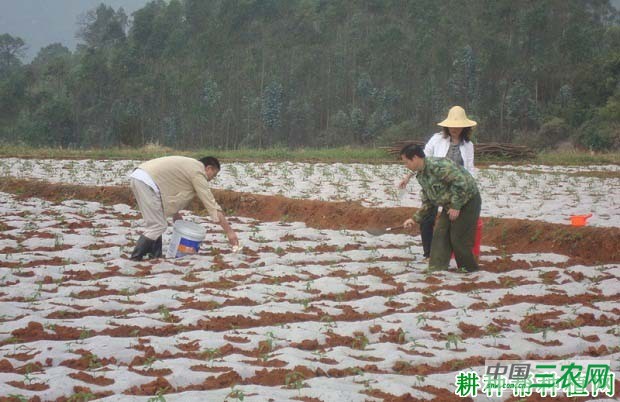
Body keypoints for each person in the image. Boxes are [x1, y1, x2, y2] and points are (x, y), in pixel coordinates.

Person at [399, 106, 476, 259]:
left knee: (453, 219)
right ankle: (428, 254)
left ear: (464, 127)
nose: (455, 129)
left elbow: (469, 169)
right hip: (433, 184)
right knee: (427, 217)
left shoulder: (468, 145)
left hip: (455, 187)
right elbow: (420, 159)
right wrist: (408, 176)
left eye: (458, 126)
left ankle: (452, 253)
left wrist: (465, 196)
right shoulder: (437, 139)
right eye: (452, 126)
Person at [128, 155, 239, 261]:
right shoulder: (198, 172)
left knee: (158, 222)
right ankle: (135, 258)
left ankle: (155, 257)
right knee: (158, 226)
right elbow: (211, 205)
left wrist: (175, 213)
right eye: (213, 175)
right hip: (146, 181)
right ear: (209, 168)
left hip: (140, 176)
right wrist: (230, 232)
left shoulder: (189, 166)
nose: (211, 179)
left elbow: (170, 191)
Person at [400, 144, 481, 272]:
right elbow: (428, 201)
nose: (406, 166)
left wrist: (456, 205)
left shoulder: (439, 166)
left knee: (458, 237)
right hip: (450, 204)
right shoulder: (421, 175)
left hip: (468, 201)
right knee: (440, 233)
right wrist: (414, 219)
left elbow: (460, 182)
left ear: (415, 158)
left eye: (406, 162)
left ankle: (469, 270)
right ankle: (436, 269)